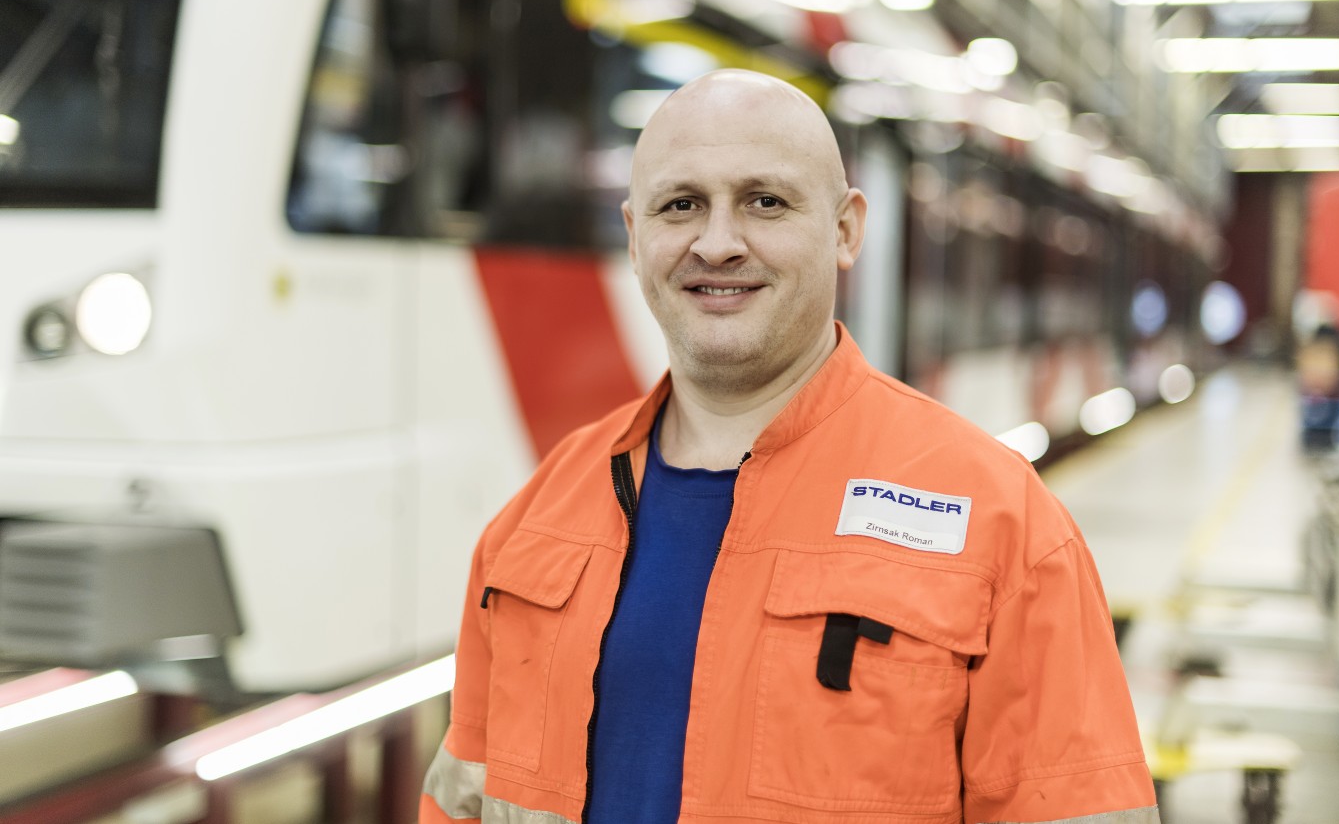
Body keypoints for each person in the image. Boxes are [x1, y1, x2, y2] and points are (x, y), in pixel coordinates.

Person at [420, 70, 1160, 824]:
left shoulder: (1005, 527)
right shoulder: (536, 519)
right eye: (681, 206)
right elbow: (462, 801)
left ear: (845, 229)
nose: (717, 242)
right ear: (636, 236)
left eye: (764, 202)